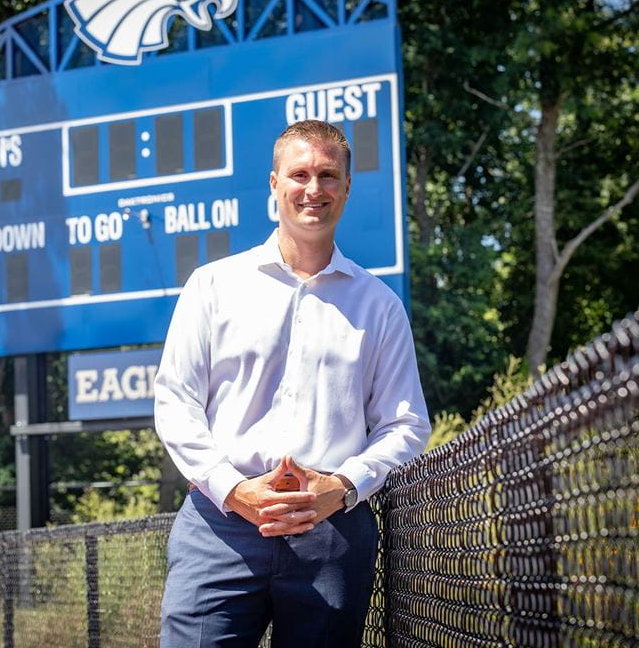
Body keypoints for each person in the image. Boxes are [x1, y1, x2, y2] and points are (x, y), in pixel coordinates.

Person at [153, 120, 431, 648]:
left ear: (346, 187)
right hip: (221, 525)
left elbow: (406, 424)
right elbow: (175, 401)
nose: (314, 189)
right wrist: (234, 491)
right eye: (299, 174)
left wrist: (343, 487)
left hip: (332, 530)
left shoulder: (380, 306)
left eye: (329, 176)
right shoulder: (213, 285)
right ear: (275, 183)